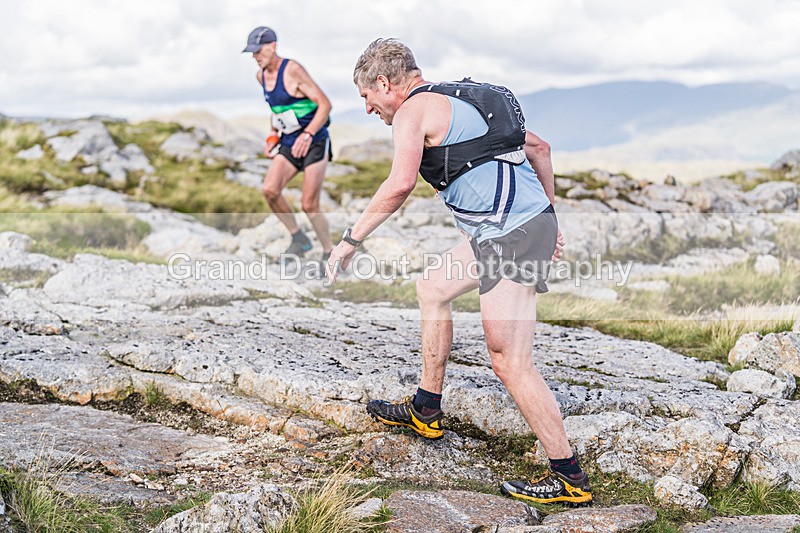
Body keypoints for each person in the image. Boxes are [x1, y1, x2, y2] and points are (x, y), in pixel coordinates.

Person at [325, 38, 591, 505]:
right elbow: (540, 148)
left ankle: (569, 478)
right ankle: (426, 408)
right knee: (432, 286)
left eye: (366, 97)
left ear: (384, 84)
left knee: (509, 361)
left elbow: (400, 184)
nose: (368, 108)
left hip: (509, 236)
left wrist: (351, 239)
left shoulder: (412, 111)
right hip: (511, 230)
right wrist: (547, 218)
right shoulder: (457, 100)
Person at [243, 26, 334, 263]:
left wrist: (308, 134)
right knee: (270, 190)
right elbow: (278, 110)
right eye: (252, 52)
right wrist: (273, 134)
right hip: (289, 141)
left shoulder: (292, 70)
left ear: (273, 46)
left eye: (258, 51)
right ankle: (298, 238)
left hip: (314, 141)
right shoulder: (261, 76)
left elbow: (325, 105)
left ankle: (329, 253)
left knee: (309, 205)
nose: (255, 56)